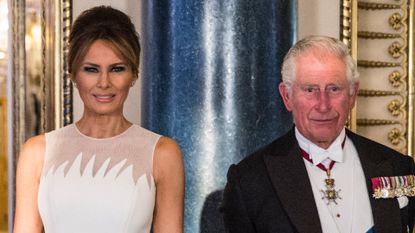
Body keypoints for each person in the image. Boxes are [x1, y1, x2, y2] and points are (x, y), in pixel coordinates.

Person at [13, 6, 184, 233]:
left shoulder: (163, 153)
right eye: (91, 69)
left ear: (133, 74)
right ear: (73, 73)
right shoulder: (37, 153)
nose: (104, 82)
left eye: (117, 69)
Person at [222, 35, 415, 233]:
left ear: (352, 95)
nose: (323, 105)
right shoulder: (249, 181)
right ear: (287, 96)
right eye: (310, 89)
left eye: (334, 89)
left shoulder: (397, 167)